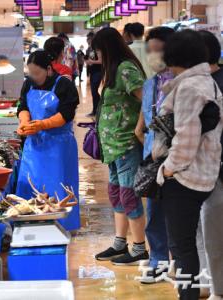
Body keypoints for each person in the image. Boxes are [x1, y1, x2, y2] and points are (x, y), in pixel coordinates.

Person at [154, 29, 223, 300]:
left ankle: (188, 297)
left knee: (182, 249)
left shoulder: (189, 87)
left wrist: (167, 170)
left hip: (185, 178)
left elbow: (186, 139)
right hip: (206, 172)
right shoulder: (208, 83)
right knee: (188, 247)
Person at [92, 27, 148, 265]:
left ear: (108, 48)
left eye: (99, 50)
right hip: (111, 145)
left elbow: (147, 98)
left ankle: (139, 247)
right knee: (116, 194)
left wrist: (138, 129)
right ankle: (119, 243)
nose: (97, 56)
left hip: (126, 143)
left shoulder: (126, 69)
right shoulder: (111, 69)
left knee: (129, 195)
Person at [16, 50, 81, 231]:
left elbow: (67, 114)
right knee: (32, 185)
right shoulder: (28, 84)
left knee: (59, 186)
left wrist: (43, 124)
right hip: (34, 146)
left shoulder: (64, 85)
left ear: (49, 69)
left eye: (37, 73)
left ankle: (63, 225)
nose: (34, 77)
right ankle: (30, 224)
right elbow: (23, 105)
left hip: (59, 146)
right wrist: (24, 122)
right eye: (31, 73)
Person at [134, 26, 175, 283]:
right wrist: (147, 140)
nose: (153, 55)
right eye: (150, 51)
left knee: (181, 215)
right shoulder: (150, 84)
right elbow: (143, 122)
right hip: (154, 159)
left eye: (158, 50)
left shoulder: (181, 83)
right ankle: (158, 260)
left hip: (180, 158)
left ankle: (184, 264)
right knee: (155, 212)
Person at [198, 30, 223, 300]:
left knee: (212, 230)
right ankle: (205, 283)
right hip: (199, 166)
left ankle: (217, 289)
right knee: (200, 228)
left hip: (213, 165)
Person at [85, 32, 102, 117]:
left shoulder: (98, 48)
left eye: (89, 39)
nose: (88, 40)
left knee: (94, 92)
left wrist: (91, 62)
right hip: (92, 72)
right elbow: (90, 60)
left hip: (98, 72)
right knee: (93, 92)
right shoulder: (89, 49)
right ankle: (96, 110)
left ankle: (97, 110)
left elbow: (101, 61)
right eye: (87, 39)